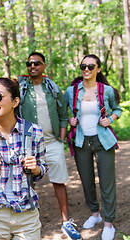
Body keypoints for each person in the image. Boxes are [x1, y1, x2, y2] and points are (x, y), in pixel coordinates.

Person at [0, 77, 48, 240]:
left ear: (15, 102)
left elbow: (42, 168)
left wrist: (35, 168)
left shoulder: (34, 132)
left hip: (27, 215)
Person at [18, 52, 81, 239]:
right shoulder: (21, 89)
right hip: (29, 144)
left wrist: (61, 138)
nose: (32, 66)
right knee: (29, 183)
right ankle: (30, 223)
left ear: (44, 66)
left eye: (37, 63)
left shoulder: (52, 88)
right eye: (29, 63)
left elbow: (63, 114)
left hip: (53, 143)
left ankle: (66, 223)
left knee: (59, 182)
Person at [64, 54, 122, 240]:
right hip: (81, 141)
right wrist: (70, 120)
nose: (86, 70)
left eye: (91, 66)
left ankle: (108, 223)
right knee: (87, 181)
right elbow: (63, 112)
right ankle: (95, 214)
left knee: (107, 182)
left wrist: (111, 119)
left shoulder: (106, 90)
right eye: (83, 66)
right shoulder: (71, 91)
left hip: (103, 141)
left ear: (98, 69)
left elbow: (117, 109)